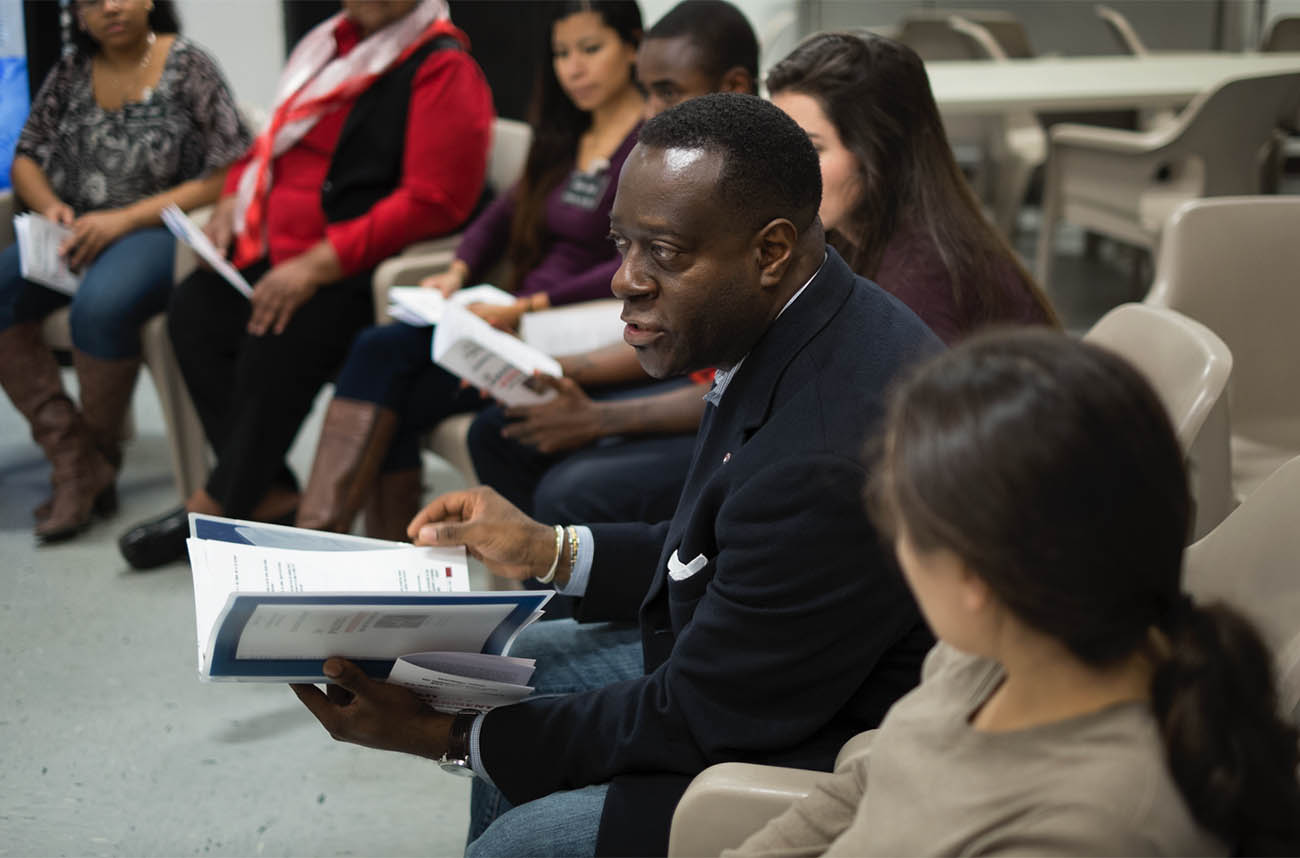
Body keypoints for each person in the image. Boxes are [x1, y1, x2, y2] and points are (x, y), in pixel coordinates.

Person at [290, 94, 943, 858]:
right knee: (528, 667)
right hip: (761, 674)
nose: (624, 281)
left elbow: (700, 717)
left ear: (770, 251)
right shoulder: (804, 318)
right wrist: (547, 549)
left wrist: (449, 735)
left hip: (821, 753)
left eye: (663, 252)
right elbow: (724, 546)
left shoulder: (828, 450)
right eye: (621, 245)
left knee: (519, 838)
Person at [730, 330, 1300, 856]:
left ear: (974, 577)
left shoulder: (1090, 828)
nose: (898, 550)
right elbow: (877, 778)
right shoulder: (998, 649)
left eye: (905, 528)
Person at [117, 0, 494, 569]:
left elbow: (435, 200)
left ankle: (219, 502)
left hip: (359, 267)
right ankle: (266, 491)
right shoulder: (326, 45)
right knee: (195, 310)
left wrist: (319, 263)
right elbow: (270, 144)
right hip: (283, 249)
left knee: (279, 328)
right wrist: (229, 203)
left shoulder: (443, 66)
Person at [291, 0, 645, 542]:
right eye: (561, 53)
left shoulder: (647, 147)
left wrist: (526, 307)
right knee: (378, 352)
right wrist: (457, 270)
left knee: (386, 370)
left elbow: (628, 264)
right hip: (508, 319)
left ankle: (334, 545)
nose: (574, 67)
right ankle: (350, 546)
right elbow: (500, 215)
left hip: (565, 332)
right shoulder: (564, 135)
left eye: (591, 49)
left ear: (633, 47)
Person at [464, 0, 761, 527]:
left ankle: (588, 584)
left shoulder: (752, 199)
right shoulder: (681, 175)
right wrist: (554, 371)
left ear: (734, 87)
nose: (650, 112)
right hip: (686, 370)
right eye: (647, 93)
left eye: (666, 92)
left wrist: (596, 419)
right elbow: (669, 327)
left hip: (731, 403)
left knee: (568, 488)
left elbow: (731, 381)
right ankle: (549, 588)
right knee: (500, 428)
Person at [0, 0, 248, 543]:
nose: (109, 8)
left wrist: (122, 220)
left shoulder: (189, 65)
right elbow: (26, 156)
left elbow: (229, 168)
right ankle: (75, 458)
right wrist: (49, 208)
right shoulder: (68, 71)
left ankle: (96, 457)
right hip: (72, 233)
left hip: (156, 231)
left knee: (101, 308)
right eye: (92, 1)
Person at [767, 32, 1058, 344]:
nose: (781, 170)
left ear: (878, 151)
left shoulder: (923, 289)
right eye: (778, 142)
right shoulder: (850, 241)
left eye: (811, 148)